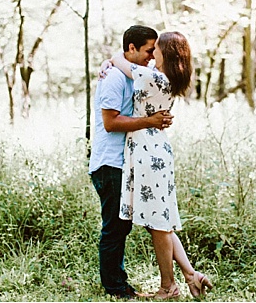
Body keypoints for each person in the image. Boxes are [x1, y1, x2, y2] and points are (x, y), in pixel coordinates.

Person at [102, 31, 212, 299]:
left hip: (147, 151)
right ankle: (190, 275)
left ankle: (168, 286)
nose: (152, 54)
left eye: (156, 49)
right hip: (154, 147)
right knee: (159, 222)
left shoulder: (153, 77)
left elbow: (122, 61)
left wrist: (110, 60)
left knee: (159, 224)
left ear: (166, 53)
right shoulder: (165, 76)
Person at [89, 25, 173, 299]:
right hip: (109, 162)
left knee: (123, 224)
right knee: (114, 226)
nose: (152, 56)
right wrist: (150, 122)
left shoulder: (135, 76)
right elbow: (110, 122)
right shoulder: (114, 78)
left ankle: (120, 282)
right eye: (149, 50)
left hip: (125, 161)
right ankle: (116, 288)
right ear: (132, 48)